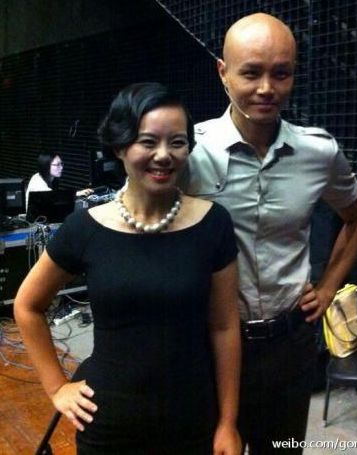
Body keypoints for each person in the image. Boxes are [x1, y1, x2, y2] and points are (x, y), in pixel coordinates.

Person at [14, 82, 242, 454]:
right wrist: (56, 387)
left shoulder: (213, 223)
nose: (164, 155)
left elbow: (225, 327)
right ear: (120, 146)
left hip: (192, 417)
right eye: (148, 142)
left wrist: (228, 423)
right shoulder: (85, 228)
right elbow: (26, 305)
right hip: (109, 422)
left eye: (177, 142)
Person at [183, 13, 357, 454]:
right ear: (223, 72)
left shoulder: (318, 151)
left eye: (281, 73)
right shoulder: (188, 152)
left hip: (289, 346)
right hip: (208, 345)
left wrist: (328, 288)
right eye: (251, 73)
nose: (267, 88)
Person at [25, 152, 93, 209]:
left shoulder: (46, 176)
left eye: (61, 164)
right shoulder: (38, 184)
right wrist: (77, 194)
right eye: (57, 165)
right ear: (46, 166)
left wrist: (77, 194)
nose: (61, 167)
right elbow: (54, 198)